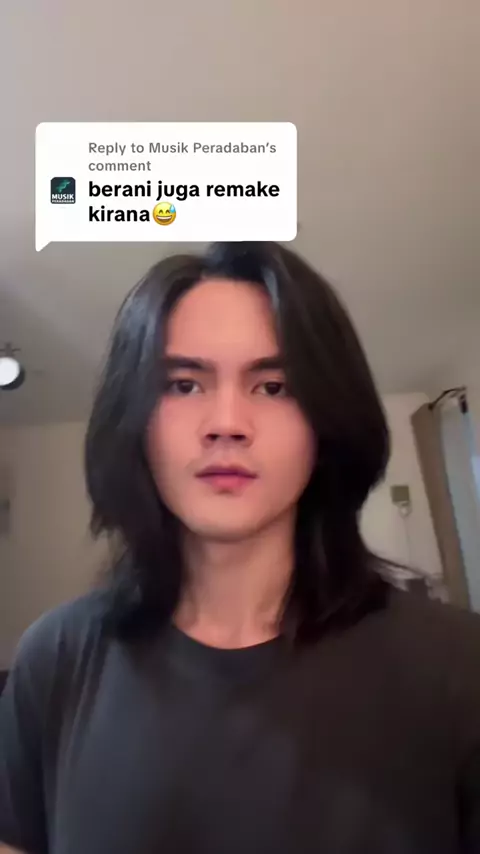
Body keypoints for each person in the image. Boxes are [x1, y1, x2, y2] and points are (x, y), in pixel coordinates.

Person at [1, 241, 479, 854]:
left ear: (326, 421)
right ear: (134, 420)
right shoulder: (55, 659)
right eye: (183, 384)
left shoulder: (459, 667)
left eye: (273, 386)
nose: (226, 423)